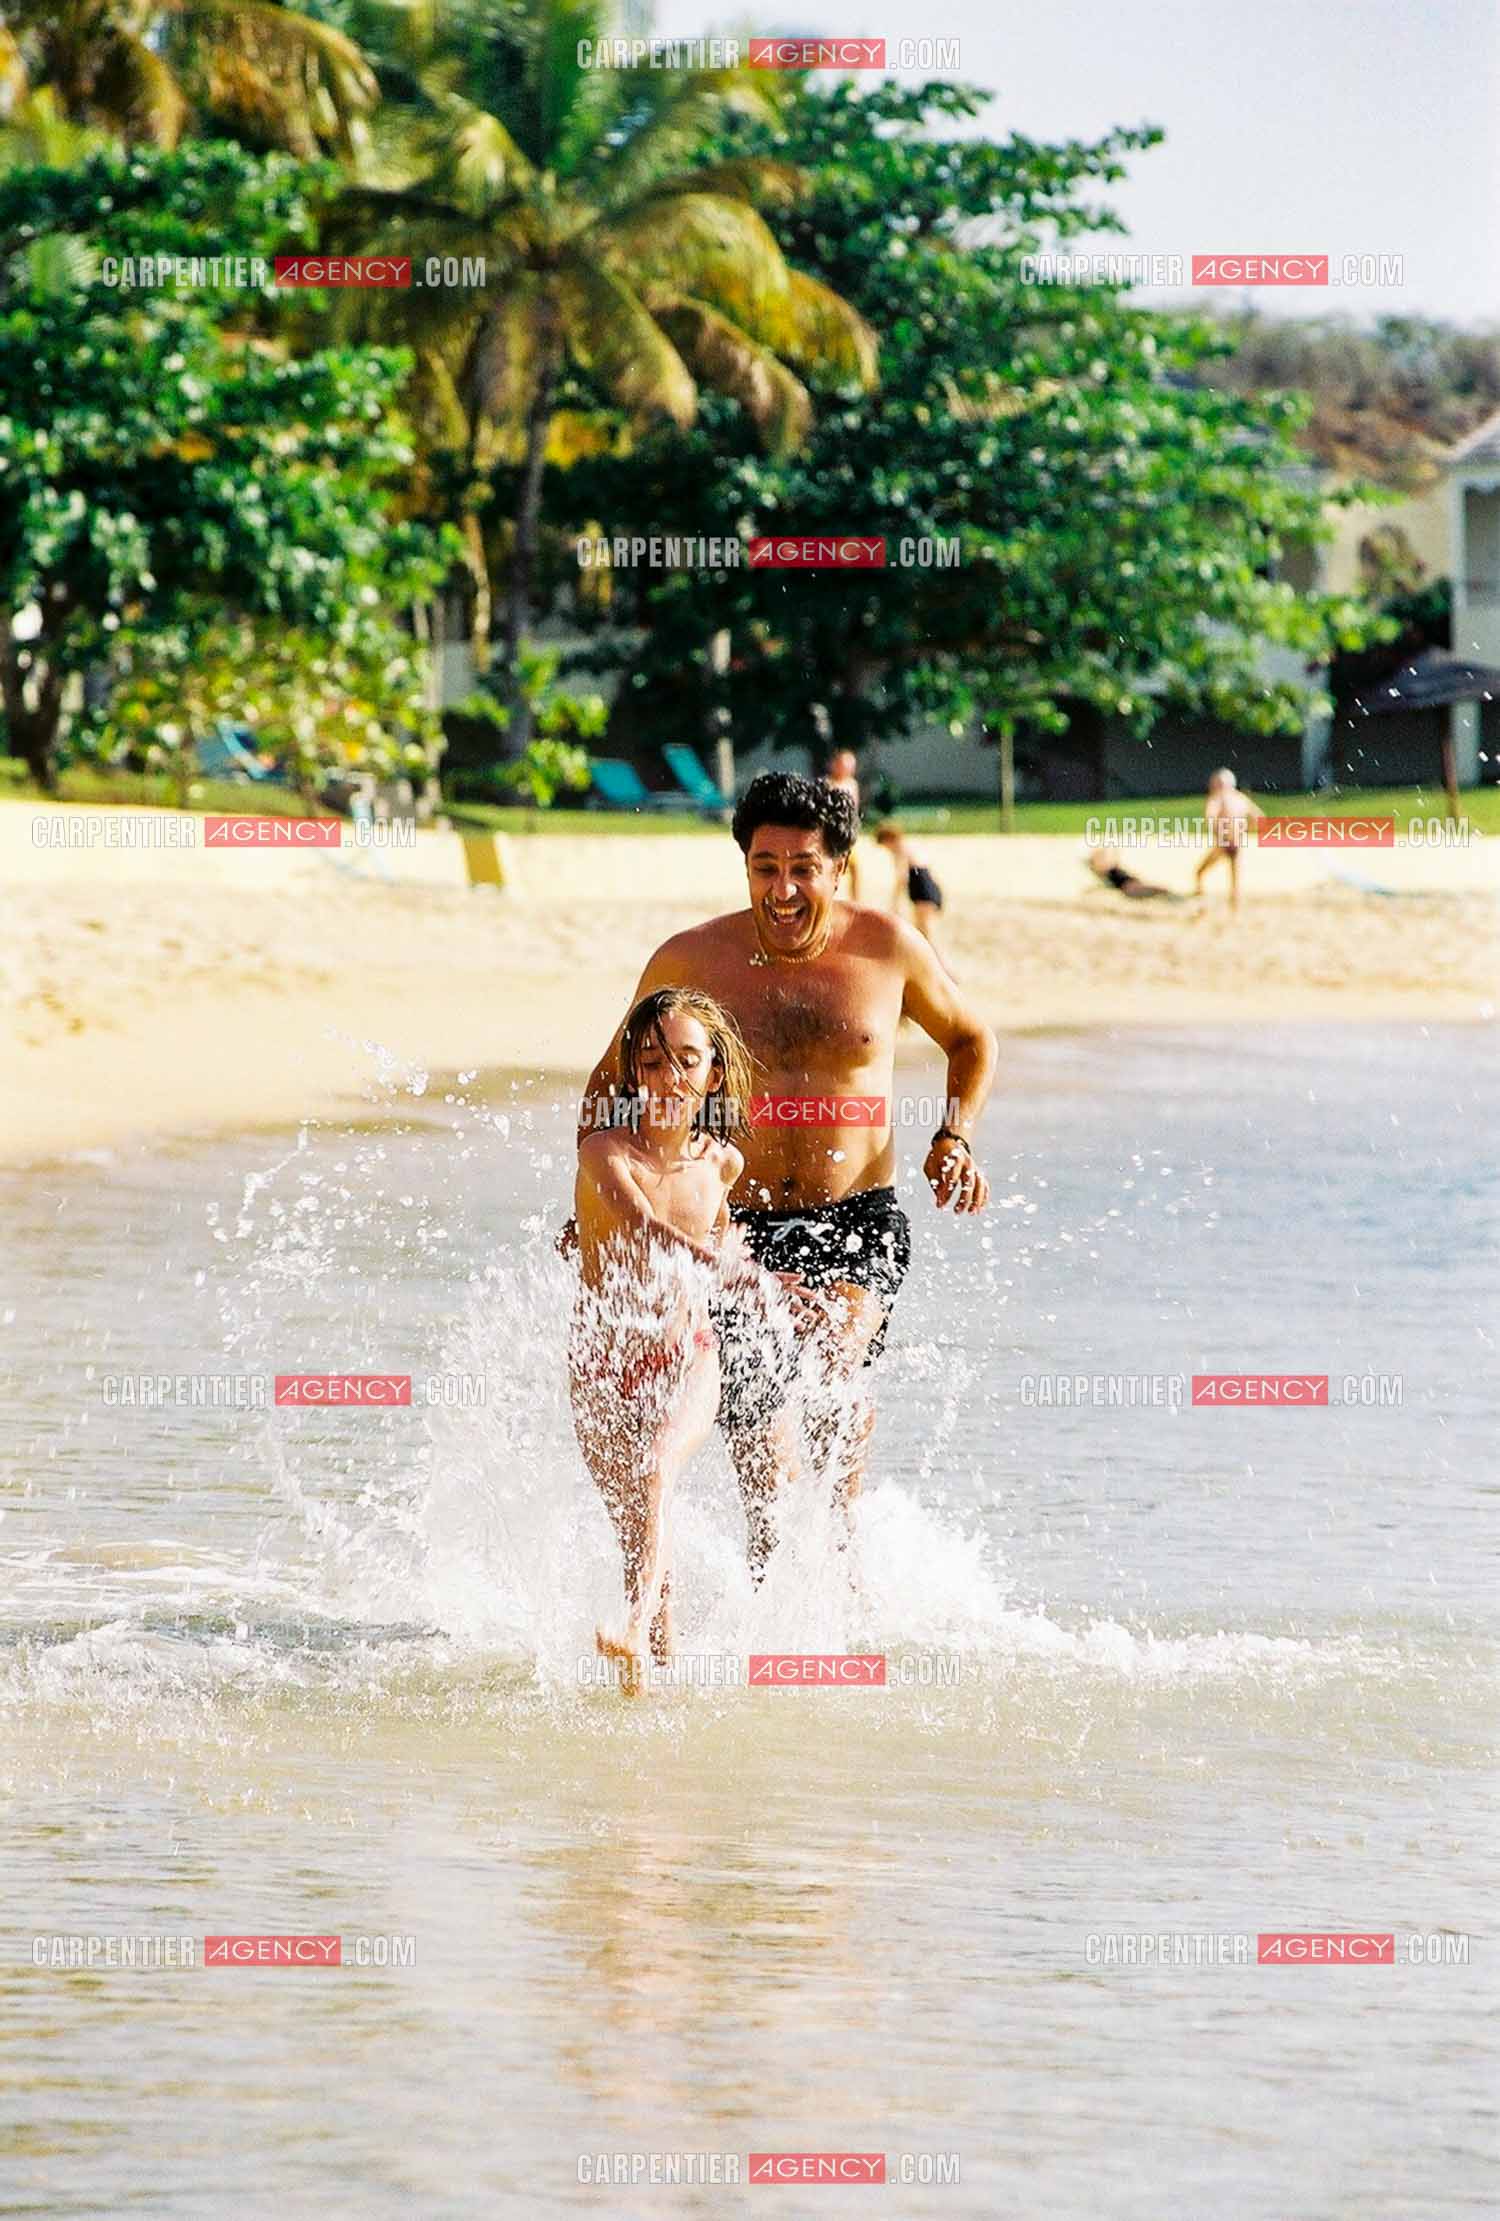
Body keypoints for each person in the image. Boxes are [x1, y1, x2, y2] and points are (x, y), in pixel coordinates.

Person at [577, 772, 997, 1577]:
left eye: (803, 867)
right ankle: (777, 1582)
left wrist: (955, 1136)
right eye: (765, 867)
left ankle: (838, 1558)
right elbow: (611, 1087)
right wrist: (600, 1202)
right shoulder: (692, 960)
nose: (784, 888)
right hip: (739, 1227)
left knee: (835, 1353)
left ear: (838, 868)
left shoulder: (888, 948)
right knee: (757, 1432)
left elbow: (973, 1039)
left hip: (859, 1215)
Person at [570, 987, 766, 1693]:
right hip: (601, 1365)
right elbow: (648, 1227)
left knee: (655, 1472)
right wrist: (735, 1270)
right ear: (632, 1073)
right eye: (652, 1062)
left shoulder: (723, 1164)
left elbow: (717, 1240)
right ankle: (655, 1676)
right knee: (639, 1525)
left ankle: (629, 1626)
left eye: (687, 1061)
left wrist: (743, 1265)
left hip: (686, 1356)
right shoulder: (603, 1151)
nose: (669, 1079)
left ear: (714, 1073)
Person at [874, 821, 952, 966]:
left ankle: (944, 968)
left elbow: (902, 878)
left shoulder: (900, 851)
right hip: (928, 891)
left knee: (927, 934)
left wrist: (894, 902)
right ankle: (937, 966)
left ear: (888, 839)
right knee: (923, 932)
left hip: (923, 893)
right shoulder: (910, 847)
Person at [1193, 768, 1264, 913]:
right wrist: (1243, 829)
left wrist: (1217, 831)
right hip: (1236, 842)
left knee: (1200, 872)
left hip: (1223, 842)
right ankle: (1235, 911)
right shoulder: (1240, 798)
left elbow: (1210, 815)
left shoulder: (1217, 797)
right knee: (1234, 882)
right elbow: (1259, 818)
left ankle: (1202, 904)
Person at [1087, 846, 1184, 902]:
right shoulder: (1104, 871)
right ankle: (1178, 899)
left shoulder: (1111, 868)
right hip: (1129, 888)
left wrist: (1113, 852)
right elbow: (1100, 866)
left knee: (1159, 890)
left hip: (1133, 884)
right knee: (1159, 890)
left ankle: (1177, 898)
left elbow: (1113, 860)